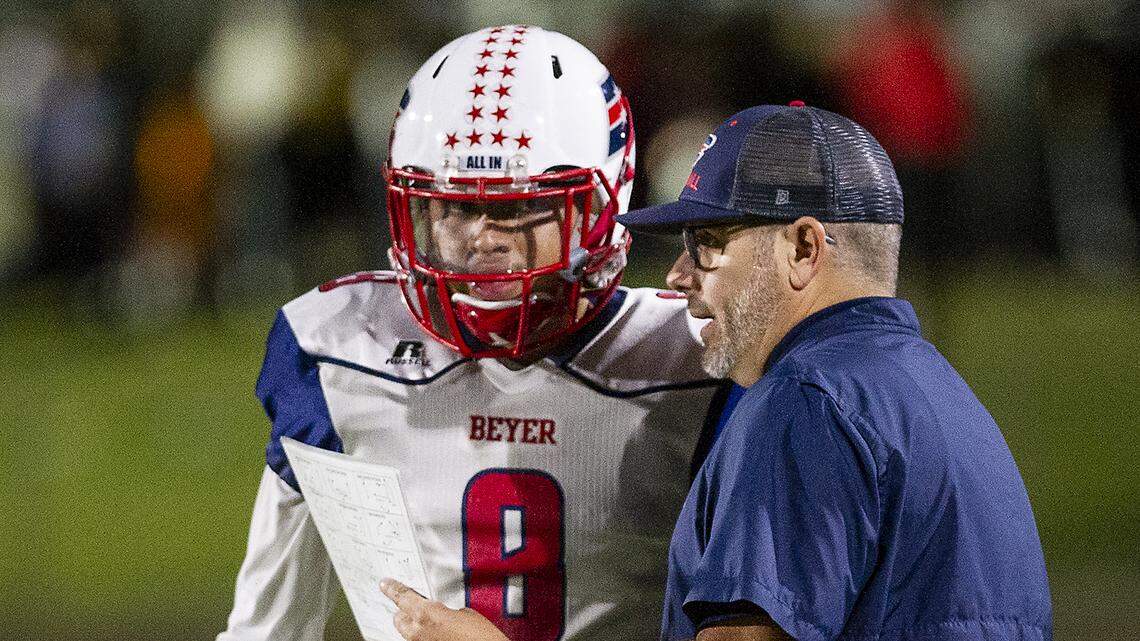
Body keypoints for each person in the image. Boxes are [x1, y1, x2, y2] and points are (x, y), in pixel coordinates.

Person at [217, 26, 732, 641]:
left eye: (515, 208)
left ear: (601, 208)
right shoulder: (337, 349)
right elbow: (267, 630)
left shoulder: (701, 356)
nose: (482, 239)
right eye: (455, 207)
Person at [613, 103, 1054, 640]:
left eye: (707, 243)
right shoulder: (937, 391)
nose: (678, 274)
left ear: (803, 248)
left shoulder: (806, 402)